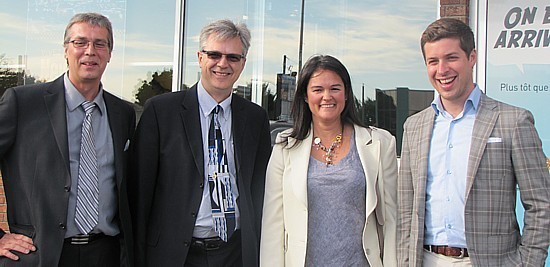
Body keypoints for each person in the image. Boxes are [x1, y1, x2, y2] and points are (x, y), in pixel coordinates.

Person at [397, 18, 550, 266]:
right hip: (425, 259)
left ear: (472, 58)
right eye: (433, 61)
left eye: (451, 58)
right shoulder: (414, 126)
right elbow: (406, 208)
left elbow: (541, 205)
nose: (442, 69)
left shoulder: (513, 121)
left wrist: (528, 262)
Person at [129, 19, 271, 267]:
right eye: (214, 54)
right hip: (174, 255)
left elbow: (260, 191)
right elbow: (139, 194)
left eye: (233, 57)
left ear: (243, 64)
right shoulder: (161, 112)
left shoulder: (255, 118)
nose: (223, 64)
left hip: (235, 254)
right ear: (200, 57)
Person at [0, 12, 135, 266]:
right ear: (65, 50)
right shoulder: (23, 103)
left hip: (107, 254)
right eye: (80, 42)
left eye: (100, 44)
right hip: (39, 254)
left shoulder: (122, 113)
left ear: (109, 54)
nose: (90, 51)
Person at [260, 55, 398, 266]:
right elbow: (273, 225)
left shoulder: (379, 143)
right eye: (317, 90)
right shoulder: (285, 147)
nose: (327, 96)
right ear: (305, 96)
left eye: (335, 88)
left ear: (346, 94)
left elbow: (391, 220)